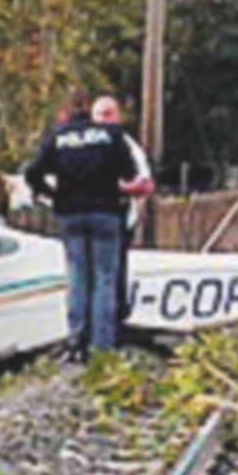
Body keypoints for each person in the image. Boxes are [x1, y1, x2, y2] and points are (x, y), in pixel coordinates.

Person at [25, 90, 136, 360]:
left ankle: (77, 340)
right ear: (90, 109)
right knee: (105, 279)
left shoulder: (57, 136)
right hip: (106, 212)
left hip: (71, 213)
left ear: (66, 111)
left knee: (77, 277)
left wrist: (51, 195)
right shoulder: (111, 135)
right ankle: (103, 345)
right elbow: (129, 171)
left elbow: (32, 172)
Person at [91, 95, 154, 332]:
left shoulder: (127, 146)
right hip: (85, 223)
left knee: (112, 279)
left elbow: (146, 185)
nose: (103, 120)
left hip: (116, 221)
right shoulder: (79, 144)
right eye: (99, 115)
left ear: (118, 117)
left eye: (108, 114)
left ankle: (115, 329)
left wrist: (115, 187)